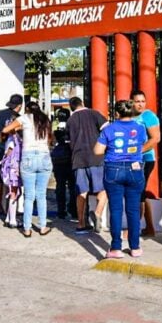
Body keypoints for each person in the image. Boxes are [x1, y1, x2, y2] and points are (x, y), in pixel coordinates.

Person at [93, 99, 147, 258]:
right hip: (135, 169)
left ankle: (116, 248)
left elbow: (97, 151)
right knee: (133, 209)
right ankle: (135, 247)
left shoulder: (109, 129)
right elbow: (142, 143)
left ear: (116, 113)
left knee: (116, 209)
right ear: (131, 111)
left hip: (113, 169)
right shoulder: (140, 128)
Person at [3, 99, 54, 237]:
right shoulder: (45, 119)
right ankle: (43, 227)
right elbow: (50, 139)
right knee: (41, 195)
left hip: (28, 157)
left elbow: (5, 130)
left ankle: (27, 228)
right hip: (44, 156)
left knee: (29, 196)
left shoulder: (24, 118)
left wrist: (18, 128)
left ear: (27, 109)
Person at [66, 96, 108, 235]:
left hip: (78, 159)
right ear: (82, 103)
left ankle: (81, 224)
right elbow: (107, 130)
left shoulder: (70, 120)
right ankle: (97, 213)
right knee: (102, 189)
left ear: (72, 107)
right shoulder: (94, 113)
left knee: (81, 192)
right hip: (96, 157)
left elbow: (68, 140)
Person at [131, 89, 161, 236]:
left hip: (145, 159)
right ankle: (149, 227)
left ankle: (134, 229)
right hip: (132, 160)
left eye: (143, 101)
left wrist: (137, 151)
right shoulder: (129, 116)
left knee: (137, 193)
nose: (140, 104)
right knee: (140, 193)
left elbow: (155, 138)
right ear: (131, 102)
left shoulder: (148, 116)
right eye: (137, 101)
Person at [0, 94, 23, 215]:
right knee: (14, 179)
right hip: (13, 151)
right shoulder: (19, 118)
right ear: (19, 106)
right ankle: (12, 209)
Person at [50, 109, 76, 220]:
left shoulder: (55, 127)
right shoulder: (72, 125)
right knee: (73, 186)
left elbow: (52, 140)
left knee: (60, 186)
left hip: (58, 159)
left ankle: (61, 211)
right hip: (71, 158)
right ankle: (73, 209)